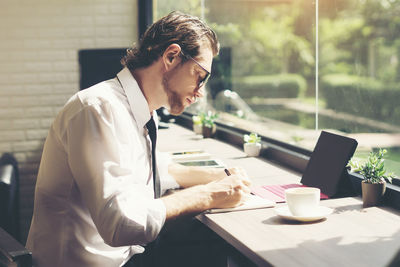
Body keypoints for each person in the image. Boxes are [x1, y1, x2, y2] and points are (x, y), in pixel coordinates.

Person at [26, 11, 251, 267]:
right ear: (171, 56)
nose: (201, 92)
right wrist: (207, 195)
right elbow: (120, 223)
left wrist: (219, 178)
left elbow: (151, 168)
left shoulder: (144, 111)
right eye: (201, 76)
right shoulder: (97, 109)